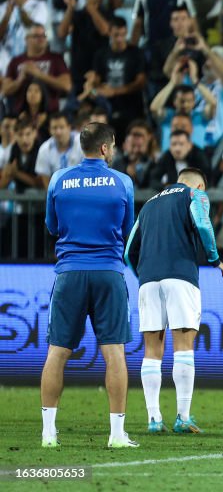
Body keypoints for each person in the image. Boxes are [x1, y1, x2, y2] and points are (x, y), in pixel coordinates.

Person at [41, 122, 136, 448]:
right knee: (114, 354)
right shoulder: (122, 182)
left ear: (82, 147)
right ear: (107, 148)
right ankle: (116, 434)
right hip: (109, 273)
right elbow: (126, 229)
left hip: (69, 272)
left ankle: (48, 433)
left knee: (57, 352)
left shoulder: (58, 179)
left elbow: (52, 226)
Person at [125, 167, 223, 435]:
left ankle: (153, 418)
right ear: (200, 186)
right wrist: (214, 258)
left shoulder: (148, 204)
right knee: (183, 347)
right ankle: (182, 417)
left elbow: (128, 251)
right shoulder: (195, 195)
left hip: (148, 280)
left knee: (151, 351)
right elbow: (204, 224)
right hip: (181, 277)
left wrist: (144, 275)